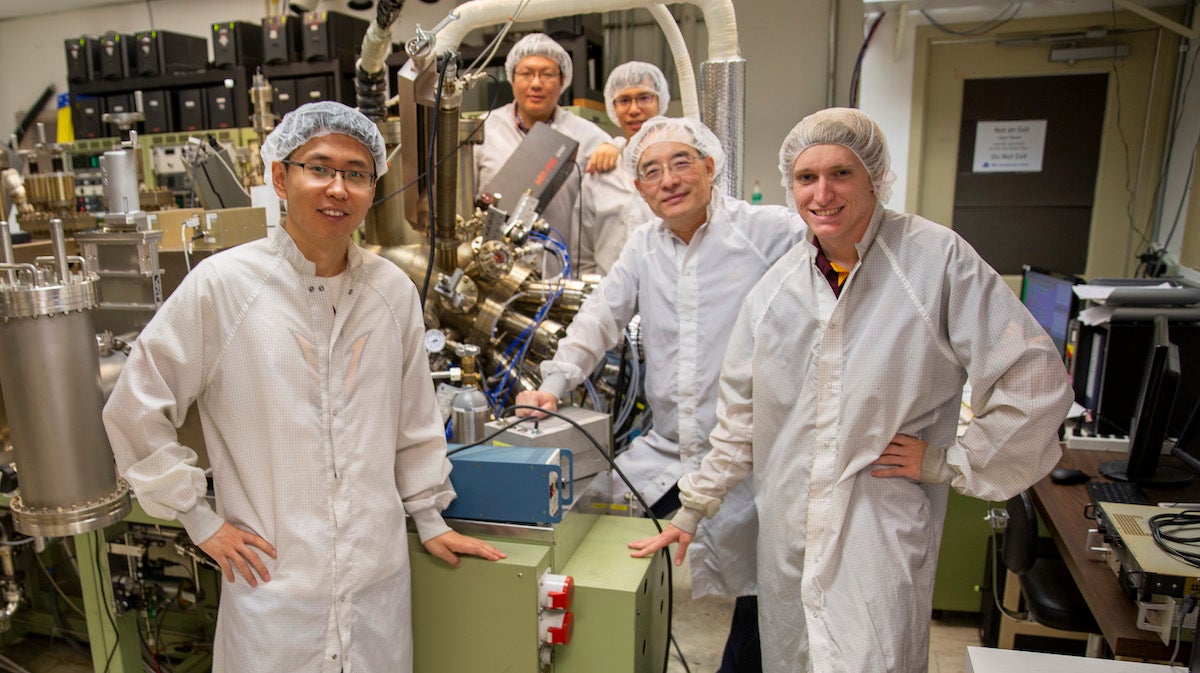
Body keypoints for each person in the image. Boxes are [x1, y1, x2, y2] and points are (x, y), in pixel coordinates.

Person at [629, 108, 1073, 673]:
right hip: (788, 531)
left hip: (879, 529)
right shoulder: (777, 290)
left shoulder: (933, 261)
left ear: (874, 177)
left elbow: (1033, 376)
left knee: (874, 658)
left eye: (840, 173)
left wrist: (949, 461)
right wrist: (692, 510)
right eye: (806, 178)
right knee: (792, 656)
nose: (822, 193)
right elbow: (741, 418)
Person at [103, 101, 505, 673]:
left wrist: (430, 516)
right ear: (279, 177)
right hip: (275, 592)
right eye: (319, 168)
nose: (338, 188)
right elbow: (135, 402)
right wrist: (198, 518)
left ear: (373, 189)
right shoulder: (224, 287)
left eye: (357, 174)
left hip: (375, 587)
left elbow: (414, 418)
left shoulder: (391, 291)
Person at [517, 116, 806, 673]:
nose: (669, 180)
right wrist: (554, 384)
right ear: (639, 187)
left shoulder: (768, 231)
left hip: (754, 453)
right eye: (652, 170)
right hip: (671, 445)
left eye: (681, 164)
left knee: (766, 587)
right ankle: (612, 651)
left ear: (710, 167)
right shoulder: (643, 246)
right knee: (597, 517)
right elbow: (599, 318)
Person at [473, 33, 614, 272]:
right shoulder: (482, 130)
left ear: (563, 81)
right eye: (526, 74)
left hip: (560, 274)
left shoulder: (587, 135)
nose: (536, 83)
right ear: (512, 78)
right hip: (493, 271)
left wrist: (615, 147)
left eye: (547, 74)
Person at [578, 61, 669, 275]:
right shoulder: (599, 173)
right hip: (609, 291)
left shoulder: (678, 169)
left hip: (667, 291)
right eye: (624, 100)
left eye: (644, 98)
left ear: (660, 101)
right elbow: (584, 249)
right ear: (613, 107)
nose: (634, 110)